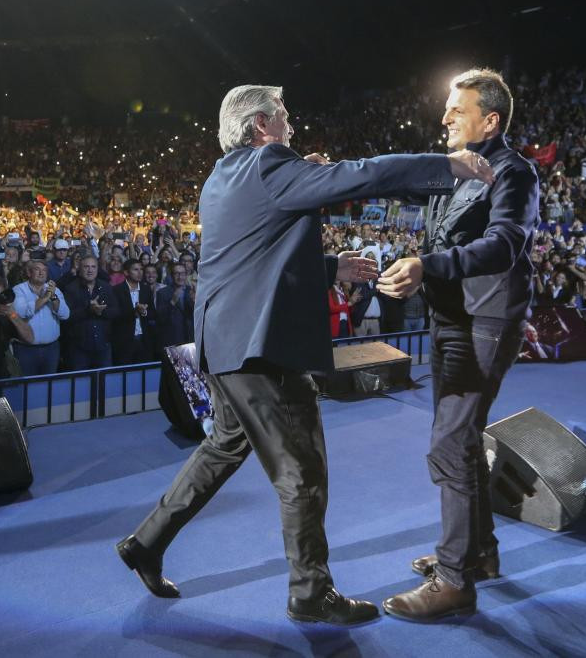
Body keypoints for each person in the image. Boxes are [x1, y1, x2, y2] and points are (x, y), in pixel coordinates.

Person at [116, 83, 491, 626]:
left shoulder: (223, 176)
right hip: (261, 349)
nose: (291, 125)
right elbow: (365, 172)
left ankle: (146, 543)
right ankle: (311, 592)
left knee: (223, 448)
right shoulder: (272, 163)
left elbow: (254, 253)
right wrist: (447, 165)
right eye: (284, 117)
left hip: (223, 344)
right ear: (263, 125)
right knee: (303, 472)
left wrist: (329, 268)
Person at [378, 68, 539, 622]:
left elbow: (504, 245)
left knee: (450, 443)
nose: (445, 117)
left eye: (457, 109)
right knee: (462, 442)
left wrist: (429, 265)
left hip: (485, 322)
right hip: (450, 319)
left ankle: (454, 581)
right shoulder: (456, 169)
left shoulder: (514, 173)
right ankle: (481, 555)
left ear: (489, 119)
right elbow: (403, 185)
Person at [10, 260, 69, 376]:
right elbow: (20, 313)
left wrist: (53, 298)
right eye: (37, 269)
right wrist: (44, 299)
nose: (41, 273)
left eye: (44, 270)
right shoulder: (19, 290)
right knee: (26, 386)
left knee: (49, 386)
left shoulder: (54, 290)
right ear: (29, 272)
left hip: (51, 349)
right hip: (25, 350)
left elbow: (65, 314)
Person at [61, 255, 119, 369]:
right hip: (79, 348)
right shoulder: (70, 289)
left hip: (103, 345)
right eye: (86, 267)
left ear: (98, 269)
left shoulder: (106, 287)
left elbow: (116, 311)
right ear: (79, 269)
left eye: (93, 267)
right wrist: (88, 310)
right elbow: (66, 317)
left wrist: (101, 311)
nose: (90, 270)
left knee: (104, 383)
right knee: (80, 384)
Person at [111, 258, 157, 365]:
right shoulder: (117, 290)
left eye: (141, 269)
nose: (140, 272)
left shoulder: (146, 290)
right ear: (126, 272)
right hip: (124, 341)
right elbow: (115, 316)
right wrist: (134, 312)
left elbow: (153, 313)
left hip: (144, 339)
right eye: (135, 270)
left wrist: (144, 312)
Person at [155, 262, 195, 349]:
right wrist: (172, 302)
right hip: (172, 340)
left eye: (182, 273)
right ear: (171, 275)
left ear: (186, 275)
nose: (180, 277)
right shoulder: (162, 293)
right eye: (177, 273)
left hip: (191, 338)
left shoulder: (192, 291)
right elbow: (160, 318)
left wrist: (194, 302)